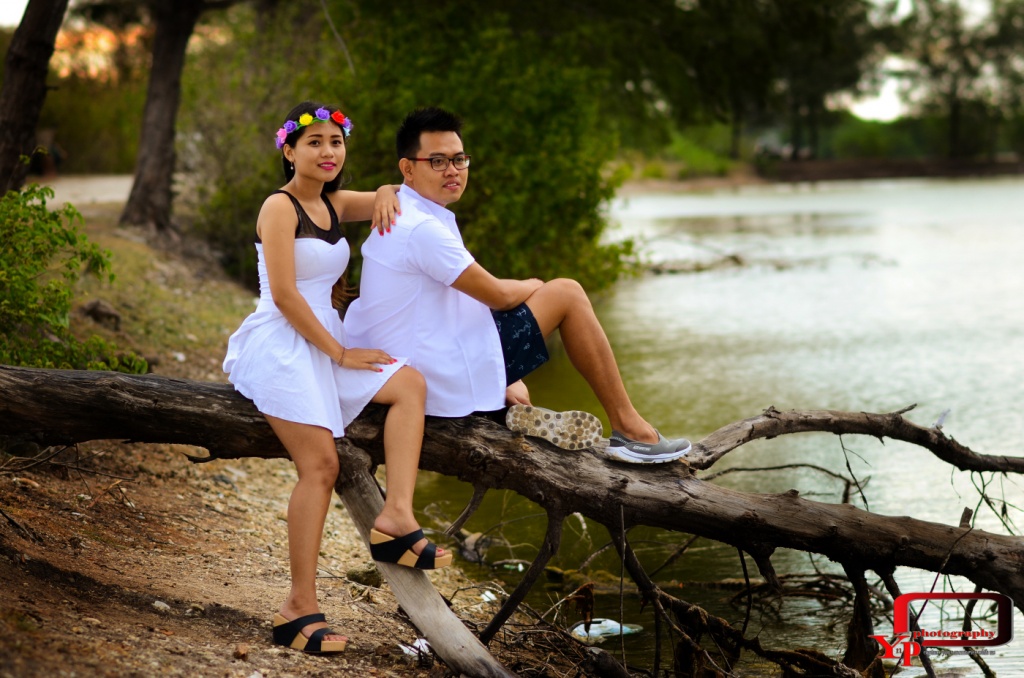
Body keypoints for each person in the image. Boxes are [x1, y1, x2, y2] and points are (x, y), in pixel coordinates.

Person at [222, 101, 450, 656]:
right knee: (321, 466)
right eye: (314, 142)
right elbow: (284, 294)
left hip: (325, 337)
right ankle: (297, 608)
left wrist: (388, 189)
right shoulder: (279, 207)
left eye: (336, 142)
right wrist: (341, 354)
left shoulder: (332, 203)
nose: (328, 152)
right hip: (283, 342)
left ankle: (396, 519)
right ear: (288, 151)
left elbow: (397, 196)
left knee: (410, 385)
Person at [344, 107, 691, 464]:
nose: (452, 170)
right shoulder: (420, 227)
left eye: (459, 159)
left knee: (531, 308)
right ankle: (631, 430)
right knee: (567, 293)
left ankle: (499, 393)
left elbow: (460, 303)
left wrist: (506, 373)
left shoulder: (407, 209)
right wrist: (535, 285)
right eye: (437, 161)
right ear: (408, 169)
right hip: (431, 374)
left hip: (410, 358)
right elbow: (497, 295)